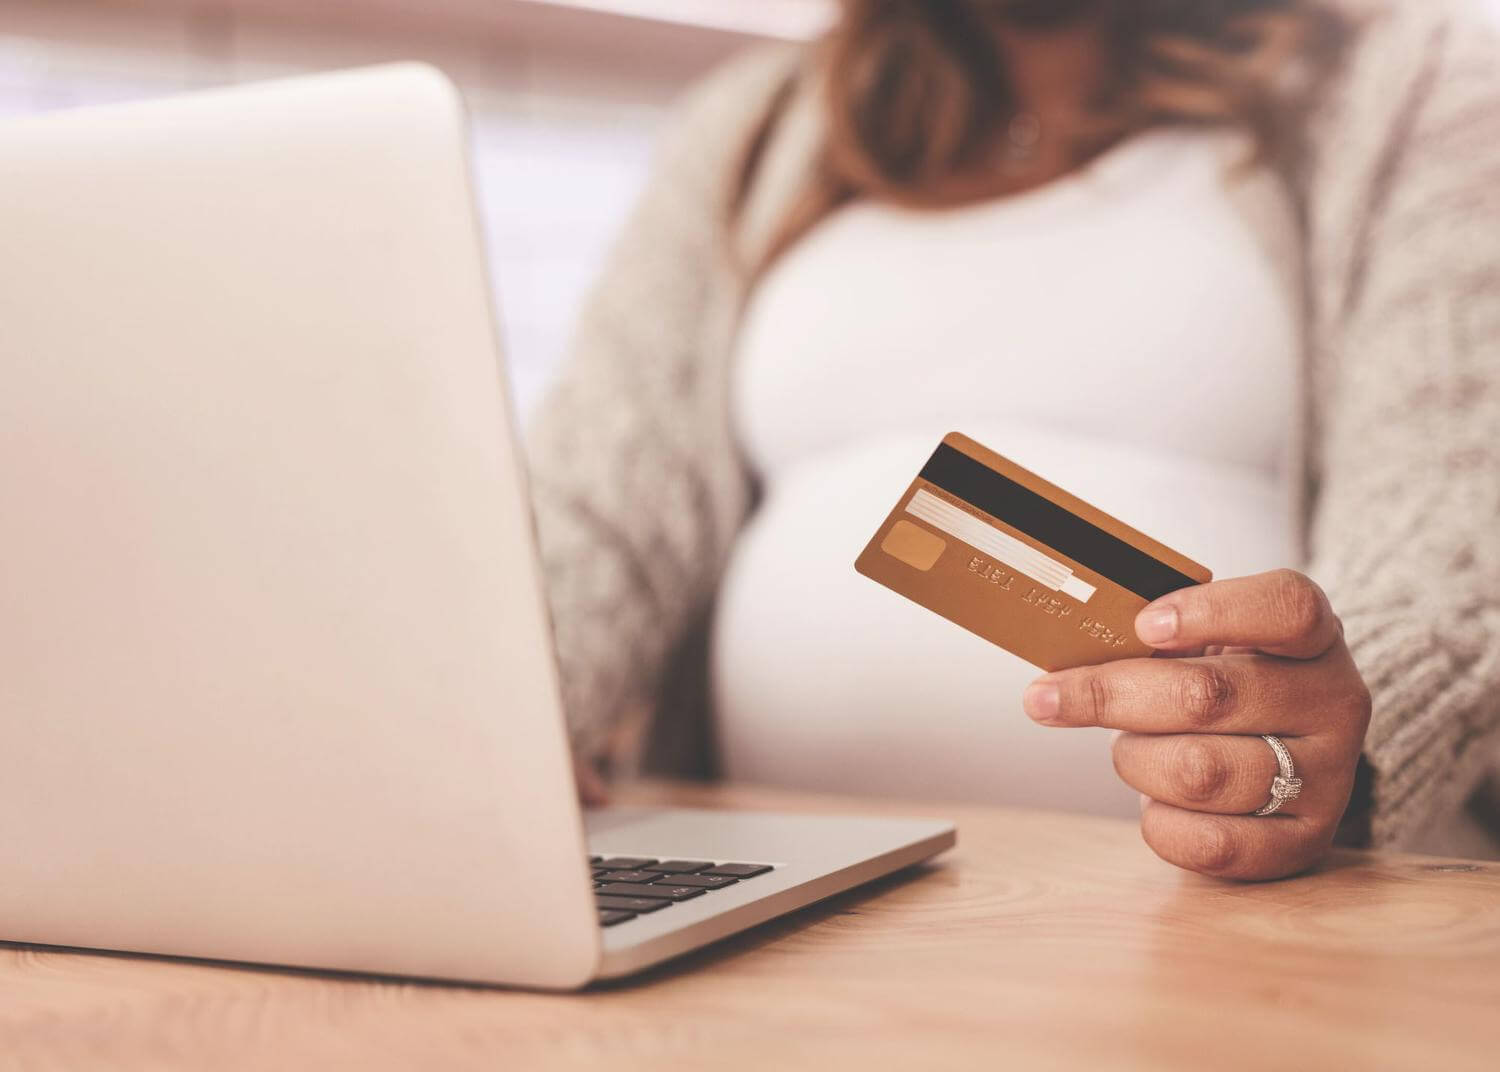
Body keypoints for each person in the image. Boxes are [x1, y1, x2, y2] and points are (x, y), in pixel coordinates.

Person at [528, 0, 1500, 879]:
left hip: (1234, 917)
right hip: (778, 900)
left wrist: (1350, 738)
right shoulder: (748, 122)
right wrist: (501, 716)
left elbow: (1455, 525)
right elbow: (596, 505)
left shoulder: (1417, 84)